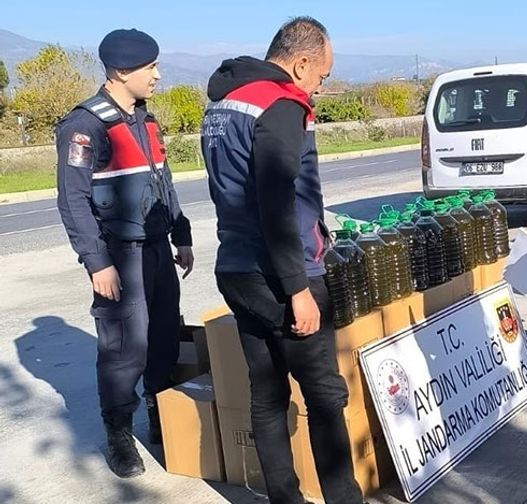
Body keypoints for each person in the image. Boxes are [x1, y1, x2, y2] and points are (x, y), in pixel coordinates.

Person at [201, 17, 364, 504]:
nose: (320, 87)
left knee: (267, 396)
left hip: (235, 265)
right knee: (324, 396)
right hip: (282, 273)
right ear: (300, 63)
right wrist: (297, 290)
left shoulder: (223, 104)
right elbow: (278, 203)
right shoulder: (280, 104)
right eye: (322, 76)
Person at [55, 29, 194, 478]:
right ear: (120, 71)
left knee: (163, 339)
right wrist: (96, 261)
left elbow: (163, 181)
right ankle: (118, 432)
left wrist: (181, 234)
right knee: (122, 348)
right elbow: (72, 200)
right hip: (118, 255)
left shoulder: (145, 119)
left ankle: (160, 412)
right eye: (149, 67)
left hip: (156, 249)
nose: (157, 75)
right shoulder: (84, 126)